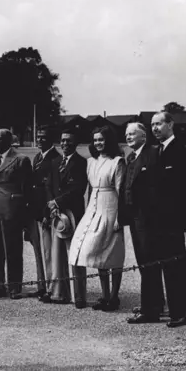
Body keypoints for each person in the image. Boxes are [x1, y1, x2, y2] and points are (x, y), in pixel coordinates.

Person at [128, 112, 186, 328]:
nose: (155, 128)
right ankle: (151, 310)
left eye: (159, 124)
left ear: (170, 124)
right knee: (149, 267)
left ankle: (178, 313)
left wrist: (182, 222)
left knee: (174, 269)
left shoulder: (182, 153)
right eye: (152, 125)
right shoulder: (152, 152)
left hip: (171, 223)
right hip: (150, 222)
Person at [69, 126, 126, 311]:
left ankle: (114, 297)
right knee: (96, 252)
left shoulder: (117, 162)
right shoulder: (91, 162)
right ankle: (105, 295)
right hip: (94, 208)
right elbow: (90, 190)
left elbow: (121, 192)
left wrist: (120, 218)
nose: (98, 143)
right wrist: (88, 213)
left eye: (101, 139)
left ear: (108, 140)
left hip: (111, 208)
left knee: (114, 254)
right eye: (95, 140)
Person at [121, 122, 166, 320]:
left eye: (132, 134)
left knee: (149, 262)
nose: (128, 137)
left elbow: (159, 186)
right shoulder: (131, 157)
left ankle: (151, 310)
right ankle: (152, 303)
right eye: (126, 134)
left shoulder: (153, 153)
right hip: (135, 217)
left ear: (143, 136)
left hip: (149, 218)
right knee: (143, 262)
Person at [0, 128, 33, 299]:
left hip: (11, 211)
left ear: (8, 141)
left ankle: (14, 287)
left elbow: (26, 188)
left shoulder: (20, 160)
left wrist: (21, 211)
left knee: (12, 250)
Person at [44, 129, 87, 307]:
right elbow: (49, 186)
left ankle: (79, 297)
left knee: (75, 256)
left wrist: (57, 202)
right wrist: (51, 206)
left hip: (73, 213)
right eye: (62, 141)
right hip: (57, 215)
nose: (65, 144)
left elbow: (78, 189)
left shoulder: (81, 163)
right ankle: (59, 293)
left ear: (75, 143)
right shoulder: (54, 162)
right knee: (57, 255)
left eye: (69, 141)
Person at [25, 126, 60, 300]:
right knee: (39, 252)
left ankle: (51, 287)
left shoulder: (56, 159)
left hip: (45, 213)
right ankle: (42, 284)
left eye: (43, 137)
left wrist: (47, 213)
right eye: (38, 137)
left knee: (49, 252)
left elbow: (51, 190)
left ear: (51, 140)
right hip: (35, 212)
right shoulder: (38, 157)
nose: (39, 140)